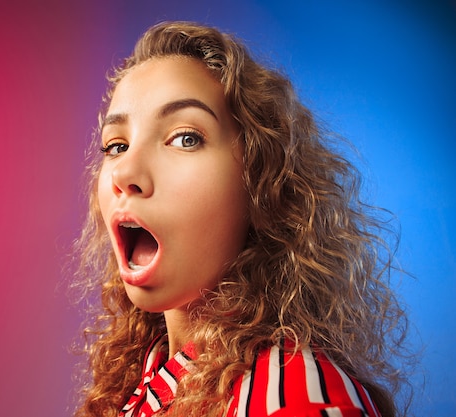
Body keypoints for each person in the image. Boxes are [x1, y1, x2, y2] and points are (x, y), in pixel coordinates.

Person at [71, 21, 411, 417]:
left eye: (186, 138)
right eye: (116, 145)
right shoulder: (140, 380)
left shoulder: (298, 398)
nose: (125, 172)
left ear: (262, 184)